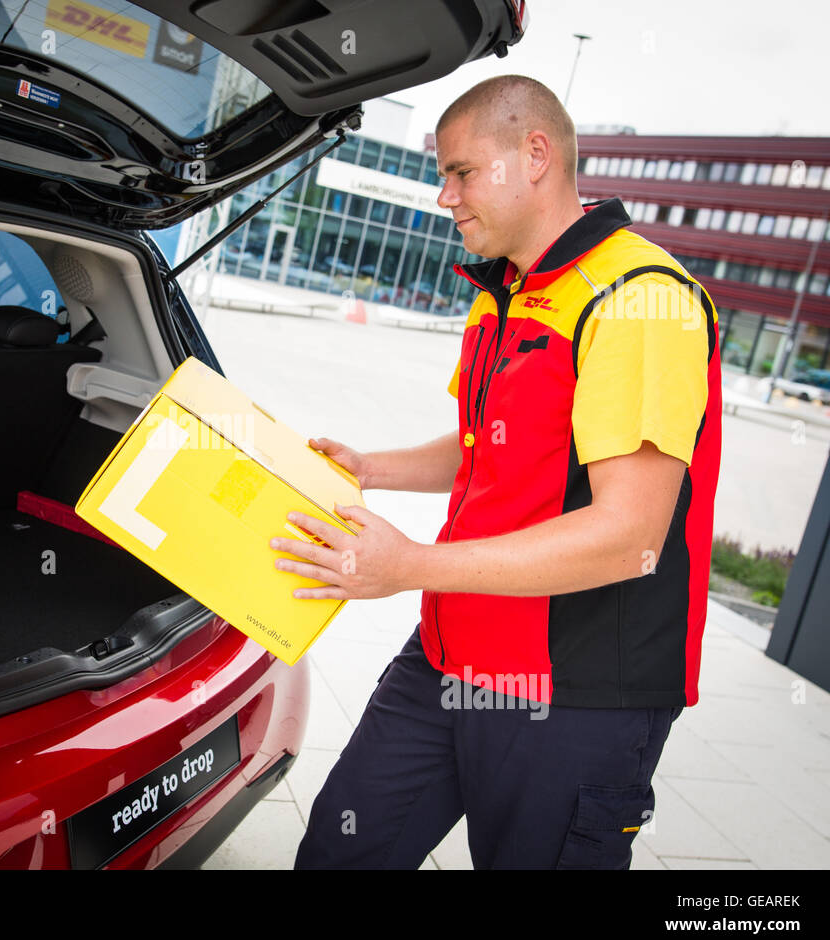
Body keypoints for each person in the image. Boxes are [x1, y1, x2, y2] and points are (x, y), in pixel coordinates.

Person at [271, 74, 722, 869]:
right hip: (449, 656)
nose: (445, 195)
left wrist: (407, 565)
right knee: (340, 848)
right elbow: (487, 441)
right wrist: (371, 467)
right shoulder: (506, 289)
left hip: (574, 695)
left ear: (535, 155)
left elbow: (630, 537)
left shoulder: (641, 300)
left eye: (461, 172)